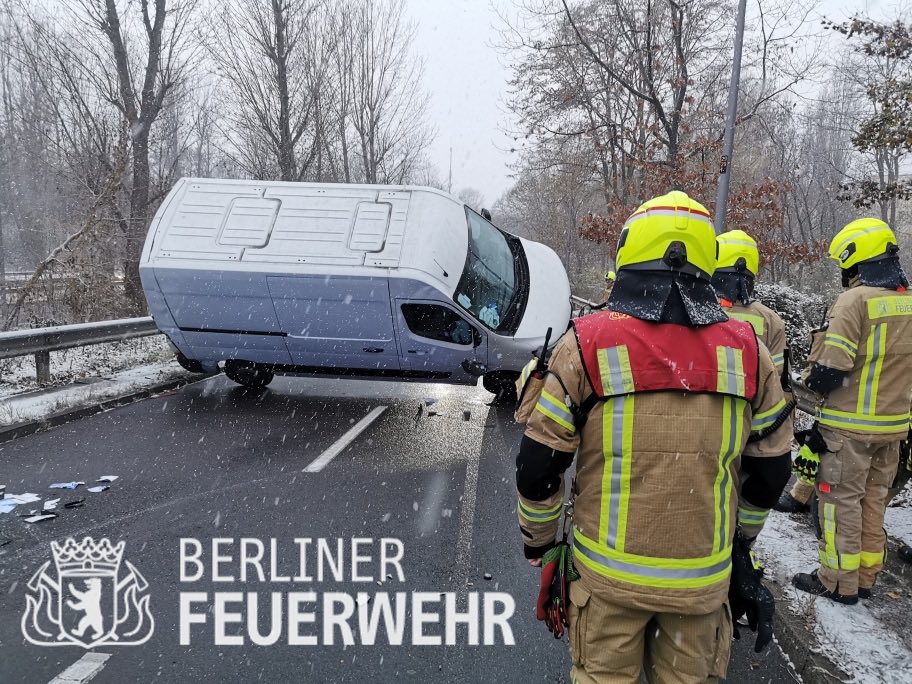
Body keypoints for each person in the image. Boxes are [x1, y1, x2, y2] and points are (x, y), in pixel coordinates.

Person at [515, 191, 792, 683]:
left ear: (628, 251)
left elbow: (538, 467)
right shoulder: (751, 351)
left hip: (607, 583)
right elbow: (770, 473)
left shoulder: (586, 343)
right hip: (701, 586)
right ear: (708, 260)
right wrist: (739, 544)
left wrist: (540, 545)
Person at [792, 218, 912, 604]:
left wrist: (808, 377)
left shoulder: (854, 301)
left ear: (854, 259)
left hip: (848, 430)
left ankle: (836, 581)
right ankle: (865, 577)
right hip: (893, 429)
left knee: (838, 503)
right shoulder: (908, 302)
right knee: (873, 501)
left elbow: (830, 370)